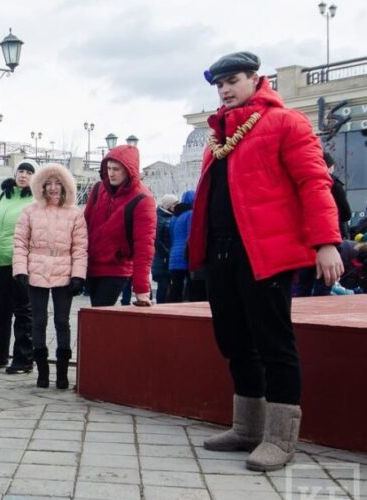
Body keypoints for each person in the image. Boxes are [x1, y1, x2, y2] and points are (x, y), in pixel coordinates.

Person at [191, 52, 343, 472]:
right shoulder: (219, 136)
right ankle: (247, 427)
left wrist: (326, 242)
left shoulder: (286, 122)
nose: (224, 89)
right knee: (234, 341)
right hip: (223, 253)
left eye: (232, 80)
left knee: (274, 344)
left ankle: (279, 438)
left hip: (267, 253)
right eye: (218, 84)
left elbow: (314, 182)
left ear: (256, 78)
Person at [12, 164, 88, 390]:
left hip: (64, 271)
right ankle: (42, 371)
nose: (53, 188)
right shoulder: (30, 211)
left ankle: (62, 373)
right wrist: (20, 269)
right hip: (36, 269)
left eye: (58, 184)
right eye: (49, 184)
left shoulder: (75, 214)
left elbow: (80, 247)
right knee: (38, 321)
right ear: (41, 187)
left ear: (66, 187)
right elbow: (20, 242)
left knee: (62, 321)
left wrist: (78, 275)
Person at [0, 161, 36, 374]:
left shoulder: (35, 199)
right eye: (21, 170)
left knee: (23, 311)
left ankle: (23, 359)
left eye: (29, 172)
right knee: (1, 311)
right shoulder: (3, 195)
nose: (24, 175)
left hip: (21, 263)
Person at [83, 145, 157, 307]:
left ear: (129, 170)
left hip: (117, 267)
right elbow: (84, 227)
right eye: (108, 168)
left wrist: (141, 288)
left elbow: (144, 246)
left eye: (116, 169)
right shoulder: (98, 189)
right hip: (92, 264)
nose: (111, 173)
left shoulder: (143, 199)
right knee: (96, 316)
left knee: (100, 317)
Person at [295, 151, 353, 296]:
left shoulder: (299, 183)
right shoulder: (334, 184)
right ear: (330, 166)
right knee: (324, 285)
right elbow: (346, 214)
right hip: (329, 240)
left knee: (303, 286)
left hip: (305, 240)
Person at [167, 190, 195, 303]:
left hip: (174, 256)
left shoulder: (174, 217)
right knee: (192, 287)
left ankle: (171, 312)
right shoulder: (191, 214)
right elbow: (191, 235)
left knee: (176, 288)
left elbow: (171, 236)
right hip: (185, 255)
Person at [152, 194, 178, 304]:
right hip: (162, 259)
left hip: (166, 258)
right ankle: (160, 307)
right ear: (168, 205)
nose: (176, 207)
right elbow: (156, 240)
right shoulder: (160, 219)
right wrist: (167, 253)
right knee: (163, 285)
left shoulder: (169, 217)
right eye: (174, 204)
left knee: (167, 285)